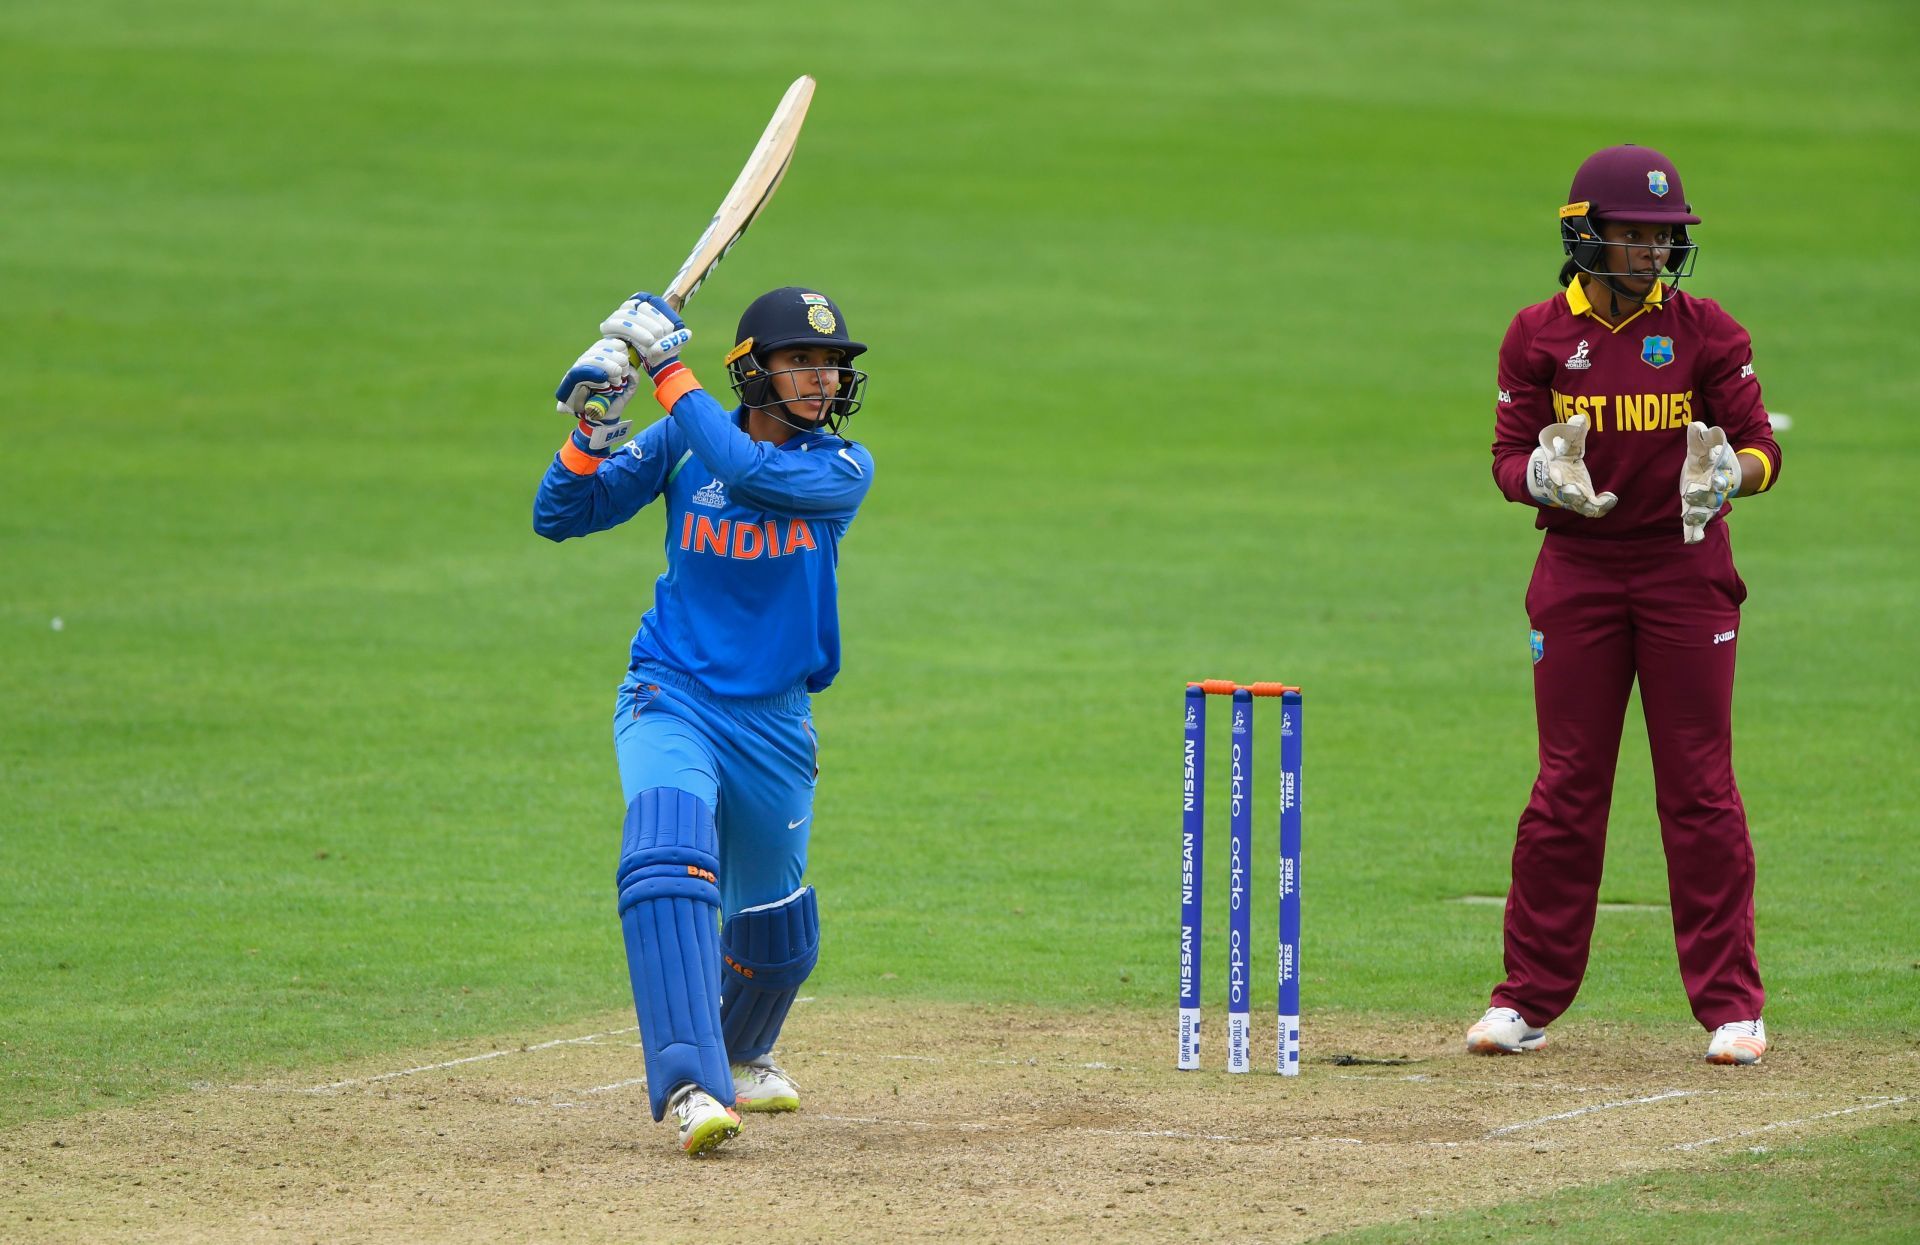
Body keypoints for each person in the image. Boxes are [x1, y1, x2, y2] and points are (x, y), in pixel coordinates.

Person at [534, 287, 874, 1154]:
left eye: (831, 366)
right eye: (801, 361)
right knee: (667, 860)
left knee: (778, 932)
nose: (820, 380)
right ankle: (691, 1085)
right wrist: (593, 428)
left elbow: (750, 471)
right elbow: (560, 515)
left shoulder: (839, 469)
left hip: (774, 719)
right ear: (755, 368)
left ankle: (744, 1048)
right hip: (670, 691)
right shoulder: (686, 437)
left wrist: (663, 369)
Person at [1472, 145, 1781, 1066]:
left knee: (1697, 786)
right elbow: (1503, 458)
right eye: (1637, 234)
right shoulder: (1536, 334)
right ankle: (1527, 999)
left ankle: (1733, 1007)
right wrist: (1539, 476)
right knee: (1566, 787)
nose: (1654, 250)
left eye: (1665, 235)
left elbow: (1763, 446)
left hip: (1686, 572)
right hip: (1580, 572)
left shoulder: (1705, 330)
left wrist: (1731, 472)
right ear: (1587, 235)